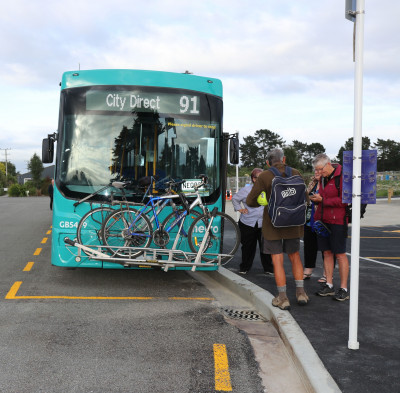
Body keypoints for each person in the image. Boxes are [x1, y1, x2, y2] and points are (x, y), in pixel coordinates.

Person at [246, 148, 309, 310]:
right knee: (295, 256)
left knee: (277, 259)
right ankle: (301, 293)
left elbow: (250, 201)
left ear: (268, 162)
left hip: (273, 223)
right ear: (284, 159)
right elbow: (306, 199)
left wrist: (263, 200)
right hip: (294, 223)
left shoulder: (265, 176)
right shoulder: (296, 172)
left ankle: (282, 298)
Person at [310, 153, 350, 301]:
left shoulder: (342, 176)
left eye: (320, 169)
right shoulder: (323, 179)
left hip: (338, 221)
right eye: (316, 170)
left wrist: (323, 200)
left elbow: (345, 200)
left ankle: (344, 288)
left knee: (339, 254)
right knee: (326, 253)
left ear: (328, 164)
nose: (319, 172)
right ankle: (329, 284)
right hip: (322, 220)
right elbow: (321, 197)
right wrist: (316, 199)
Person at [232, 168, 274, 276]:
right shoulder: (246, 190)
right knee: (247, 247)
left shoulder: (269, 189)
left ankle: (268, 268)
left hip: (264, 223)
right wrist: (240, 209)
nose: (258, 179)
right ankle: (244, 267)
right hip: (247, 222)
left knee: (265, 247)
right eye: (256, 177)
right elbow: (235, 199)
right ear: (252, 179)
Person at [303, 168, 322, 280]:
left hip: (322, 220)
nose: (316, 173)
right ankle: (308, 269)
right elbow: (305, 197)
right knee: (309, 246)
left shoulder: (327, 184)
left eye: (319, 170)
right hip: (309, 219)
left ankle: (327, 274)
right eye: (315, 171)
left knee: (326, 249)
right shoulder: (312, 183)